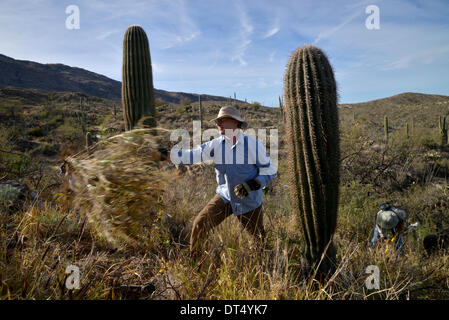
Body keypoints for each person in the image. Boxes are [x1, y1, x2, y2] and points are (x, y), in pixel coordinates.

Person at [168, 105, 277, 257]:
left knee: (258, 239)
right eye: (218, 121)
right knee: (200, 224)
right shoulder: (216, 145)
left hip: (248, 199)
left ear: (235, 122)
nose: (218, 123)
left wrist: (253, 184)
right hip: (225, 196)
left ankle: (264, 268)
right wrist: (168, 155)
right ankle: (196, 263)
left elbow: (270, 170)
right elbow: (193, 155)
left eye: (222, 120)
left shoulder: (252, 145)